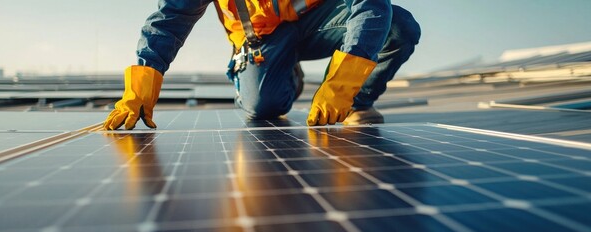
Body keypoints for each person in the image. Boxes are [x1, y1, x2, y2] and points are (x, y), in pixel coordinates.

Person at [103, 0, 420, 130]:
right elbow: (170, 21)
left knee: (399, 26)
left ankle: (357, 103)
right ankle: (285, 76)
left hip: (319, 22)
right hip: (261, 40)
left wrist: (343, 86)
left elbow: (371, 5)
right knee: (262, 107)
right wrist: (144, 78)